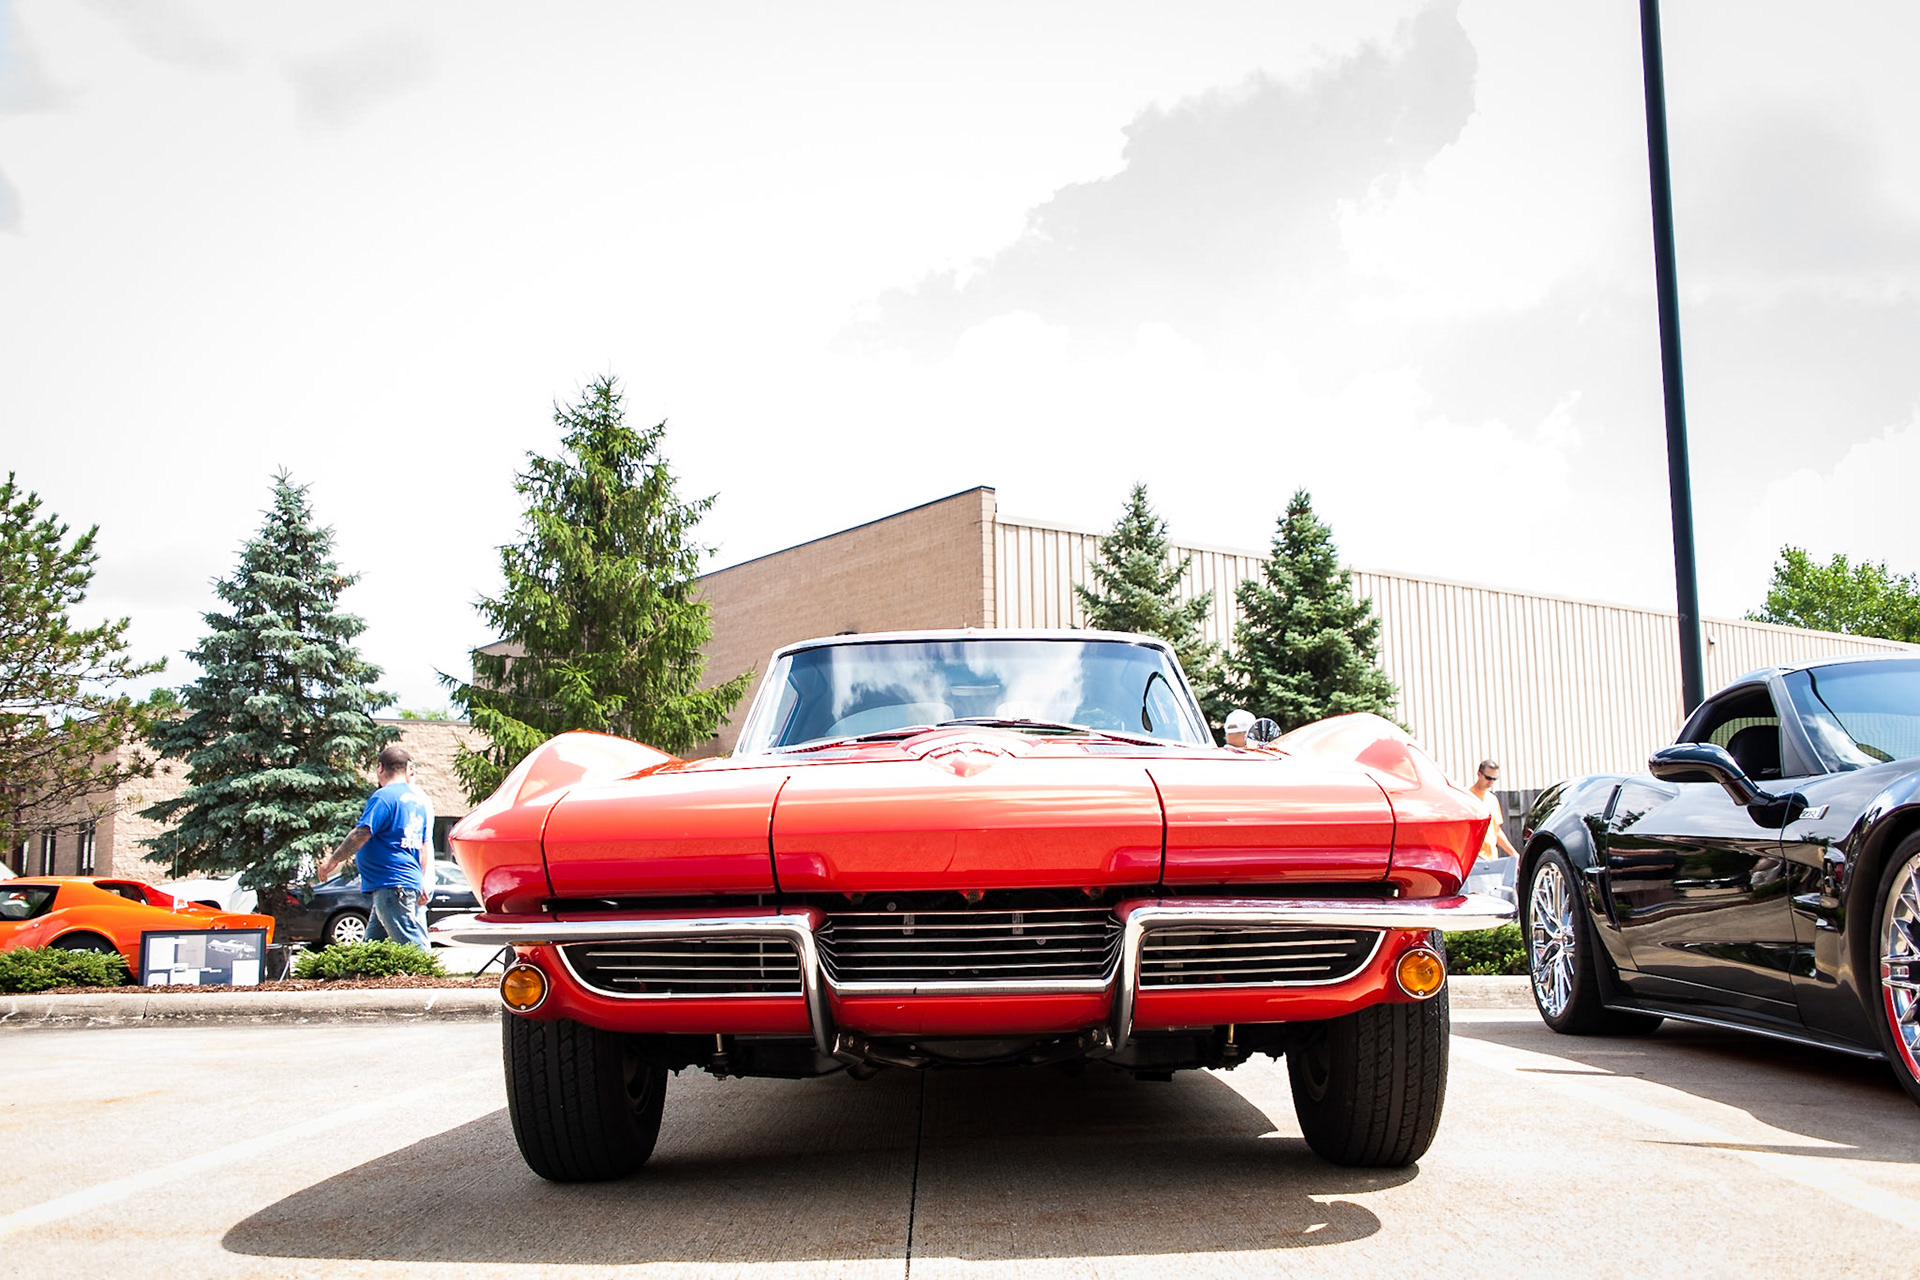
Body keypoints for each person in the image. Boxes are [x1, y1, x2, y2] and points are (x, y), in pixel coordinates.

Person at [314, 744, 436, 949]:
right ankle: (359, 979)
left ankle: (428, 980)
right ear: (408, 768)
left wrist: (332, 861)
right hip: (401, 882)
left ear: (380, 768)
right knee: (372, 947)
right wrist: (420, 879)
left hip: (391, 884)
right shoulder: (417, 801)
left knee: (412, 945)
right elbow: (422, 846)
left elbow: (361, 833)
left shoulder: (385, 796)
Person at [1467, 759, 1519, 862]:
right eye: (1488, 778)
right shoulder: (1466, 797)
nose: (1491, 782)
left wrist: (1513, 853)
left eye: (1494, 779)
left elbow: (1497, 831)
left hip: (1491, 859)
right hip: (1471, 859)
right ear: (1479, 774)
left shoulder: (1492, 800)